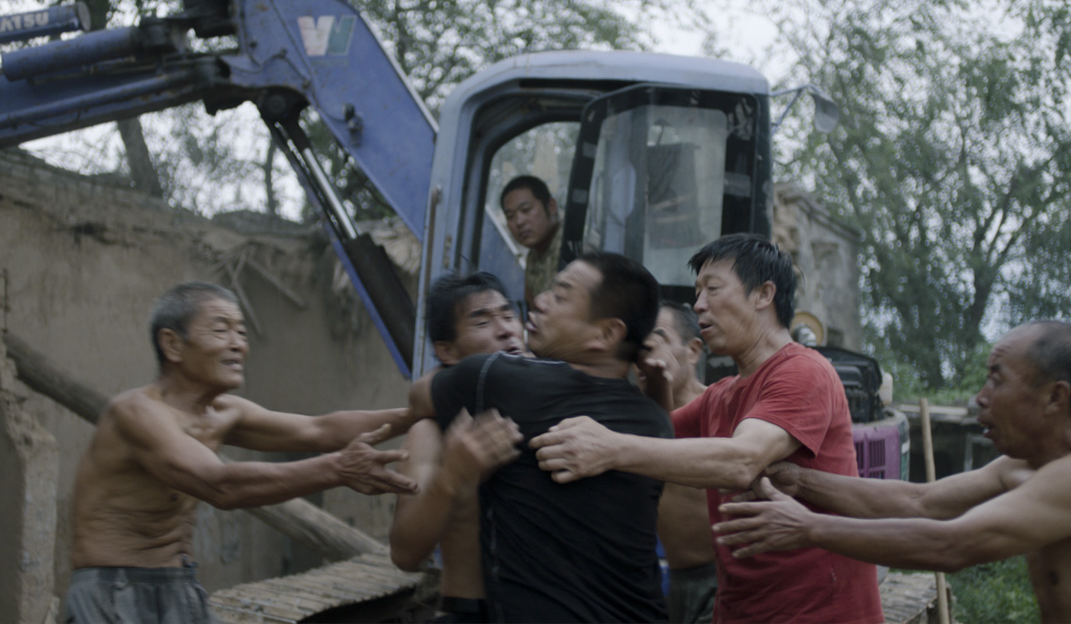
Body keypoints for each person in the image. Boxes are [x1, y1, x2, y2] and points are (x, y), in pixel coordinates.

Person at [530, 233, 883, 623]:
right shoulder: (722, 396)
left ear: (763, 294)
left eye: (713, 289)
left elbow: (741, 460)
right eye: (698, 293)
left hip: (819, 612)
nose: (699, 305)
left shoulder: (802, 371)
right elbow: (657, 442)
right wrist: (655, 385)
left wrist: (609, 447)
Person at [64, 282, 419, 624]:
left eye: (242, 333)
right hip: (114, 591)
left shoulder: (224, 411)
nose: (238, 345)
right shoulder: (135, 413)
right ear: (172, 344)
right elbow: (221, 486)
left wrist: (418, 414)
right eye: (221, 331)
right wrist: (339, 469)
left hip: (180, 586)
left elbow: (320, 429)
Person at [714, 320, 1071, 624]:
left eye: (997, 380)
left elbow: (951, 545)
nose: (980, 397)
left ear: (1055, 397)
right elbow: (919, 501)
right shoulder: (1023, 465)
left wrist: (807, 527)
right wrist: (803, 481)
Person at [416, 252, 672, 623]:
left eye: (561, 295)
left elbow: (417, 399)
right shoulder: (655, 423)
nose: (539, 301)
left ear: (606, 333)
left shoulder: (499, 380)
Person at [389, 272, 527, 623]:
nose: (505, 329)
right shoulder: (433, 431)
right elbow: (405, 553)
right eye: (482, 320)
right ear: (446, 351)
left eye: (509, 316)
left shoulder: (551, 402)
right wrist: (453, 477)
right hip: (469, 612)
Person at [641, 301, 717, 624]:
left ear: (693, 350)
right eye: (641, 343)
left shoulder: (719, 408)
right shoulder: (634, 420)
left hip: (722, 578)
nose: (650, 350)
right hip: (672, 580)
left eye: (659, 337)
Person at [500, 175, 562, 309]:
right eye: (510, 216)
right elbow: (529, 313)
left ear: (551, 207)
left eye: (526, 210)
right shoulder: (533, 256)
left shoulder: (571, 245)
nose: (519, 222)